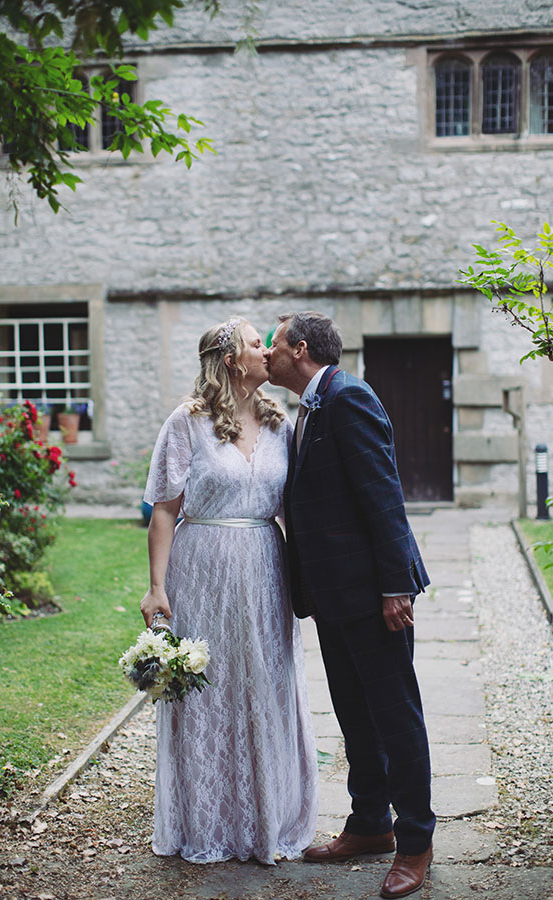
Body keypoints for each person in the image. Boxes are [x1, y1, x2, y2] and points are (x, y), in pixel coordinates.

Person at [267, 311, 435, 900]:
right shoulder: (311, 405)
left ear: (300, 349)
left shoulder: (349, 397)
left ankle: (415, 842)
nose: (267, 354)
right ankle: (370, 825)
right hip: (334, 594)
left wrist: (395, 587)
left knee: (396, 717)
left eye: (274, 344)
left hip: (373, 594)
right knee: (355, 715)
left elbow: (383, 494)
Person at [140, 316, 318, 865]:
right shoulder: (186, 422)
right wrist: (156, 589)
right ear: (229, 359)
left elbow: (296, 511)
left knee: (265, 684)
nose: (267, 351)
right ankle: (207, 820)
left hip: (265, 568)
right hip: (202, 569)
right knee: (208, 692)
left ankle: (266, 819)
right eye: (255, 343)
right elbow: (164, 511)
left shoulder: (280, 422)